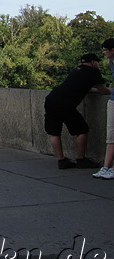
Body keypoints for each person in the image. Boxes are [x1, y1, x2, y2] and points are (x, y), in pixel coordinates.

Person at [45, 53, 110, 169]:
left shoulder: (77, 70)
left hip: (51, 99)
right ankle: (81, 159)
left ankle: (61, 161)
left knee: (54, 131)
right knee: (81, 129)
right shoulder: (93, 71)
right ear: (93, 62)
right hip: (65, 103)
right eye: (97, 62)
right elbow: (103, 90)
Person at [94, 39, 114, 179]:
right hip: (113, 100)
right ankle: (106, 167)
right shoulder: (110, 63)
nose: (103, 52)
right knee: (110, 135)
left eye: (105, 50)